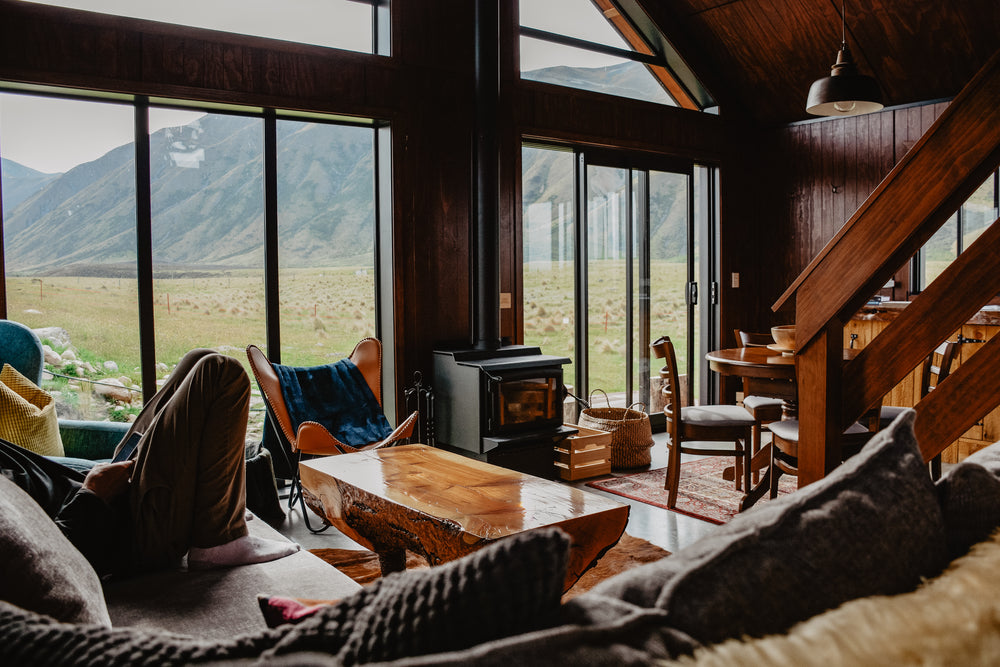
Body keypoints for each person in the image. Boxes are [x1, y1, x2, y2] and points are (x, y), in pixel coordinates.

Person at [0, 348, 298, 578]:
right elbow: (39, 564)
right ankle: (219, 539)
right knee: (221, 373)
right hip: (126, 531)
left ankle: (216, 514)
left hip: (110, 498)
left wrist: (94, 476)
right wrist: (91, 495)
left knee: (200, 358)